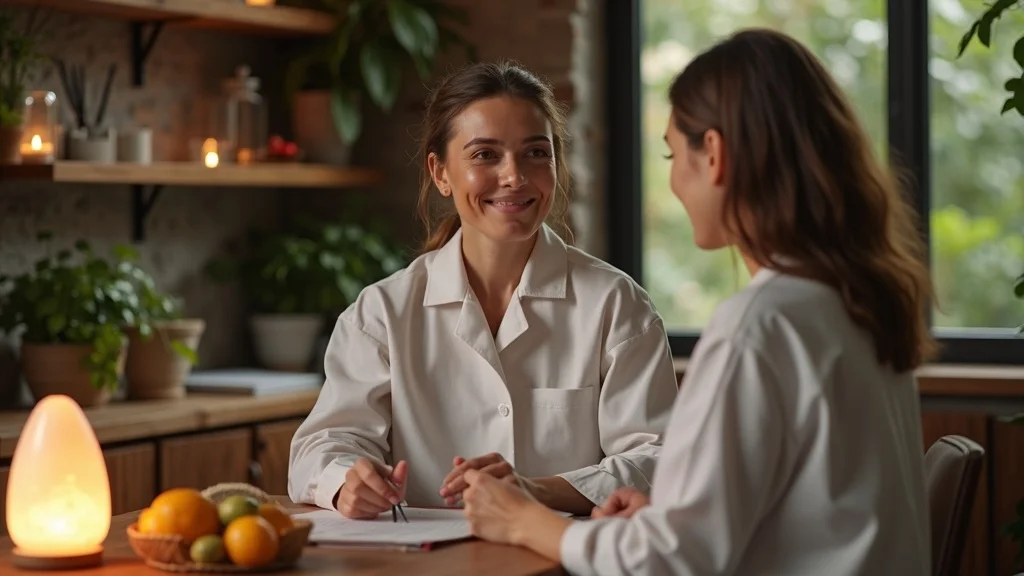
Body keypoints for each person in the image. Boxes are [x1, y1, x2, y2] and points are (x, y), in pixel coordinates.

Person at [461, 27, 934, 575]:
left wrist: (526, 521)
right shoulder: (854, 302)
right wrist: (663, 516)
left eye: (671, 152)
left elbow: (671, 561)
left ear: (713, 154)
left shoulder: (760, 325)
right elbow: (799, 512)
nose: (675, 182)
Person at [287, 60, 679, 519]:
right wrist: (345, 481)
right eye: (485, 155)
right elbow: (321, 447)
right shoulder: (382, 312)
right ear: (441, 172)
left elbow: (659, 458)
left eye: (536, 153)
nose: (514, 176)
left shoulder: (617, 303)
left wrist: (537, 491)